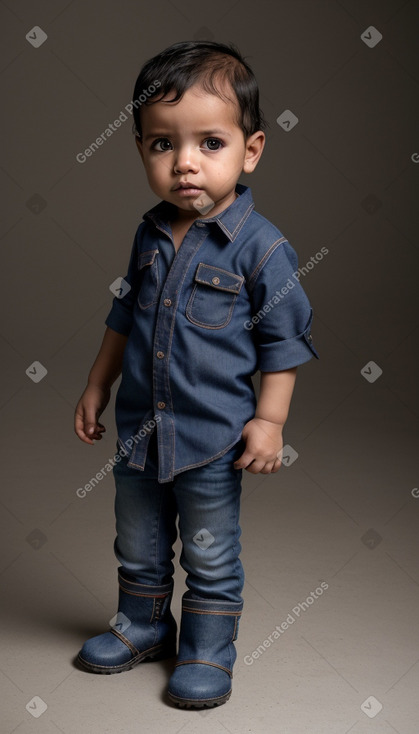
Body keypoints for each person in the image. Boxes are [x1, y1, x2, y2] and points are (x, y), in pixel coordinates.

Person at [74, 40, 319, 709]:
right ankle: (142, 625)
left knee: (209, 551)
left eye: (209, 143)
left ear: (251, 149)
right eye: (161, 145)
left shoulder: (261, 247)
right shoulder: (150, 232)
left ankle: (208, 649)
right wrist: (98, 385)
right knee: (139, 537)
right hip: (138, 432)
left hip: (210, 439)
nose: (184, 163)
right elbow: (122, 315)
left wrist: (268, 422)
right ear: (141, 150)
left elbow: (282, 342)